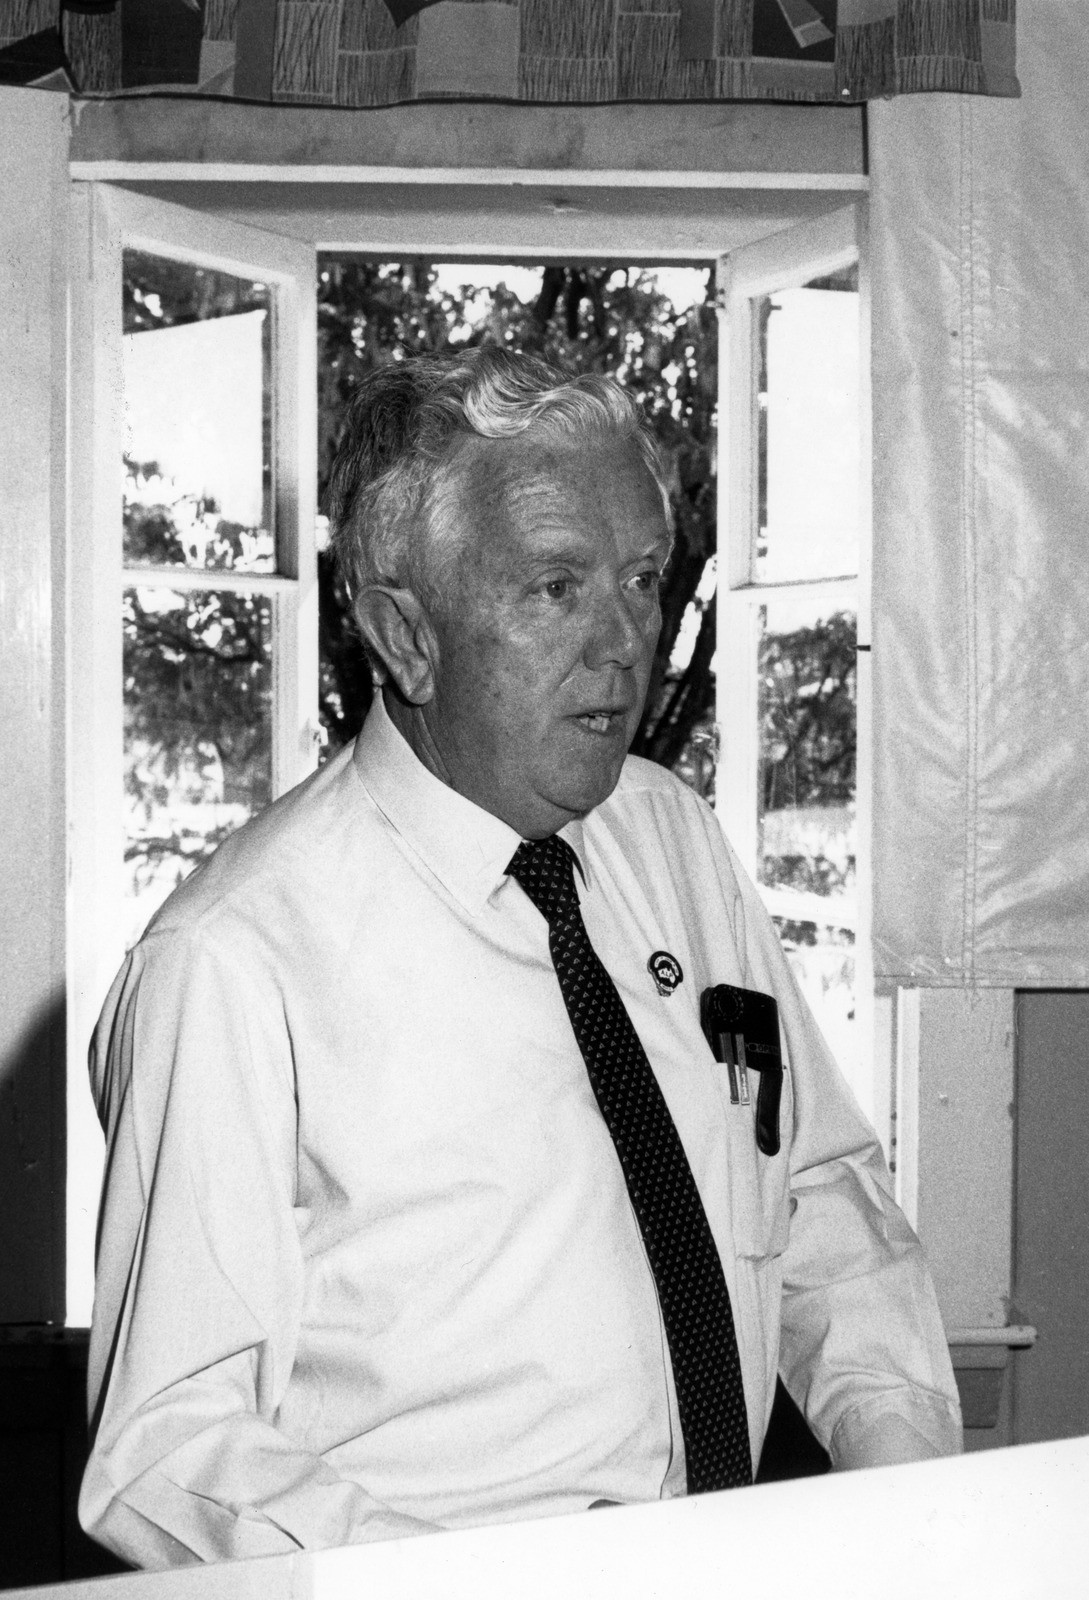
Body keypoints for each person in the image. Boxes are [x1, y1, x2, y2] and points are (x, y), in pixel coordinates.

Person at [81, 348, 962, 1569]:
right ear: (405, 631)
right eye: (554, 586)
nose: (623, 643)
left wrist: (907, 1509)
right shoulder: (230, 961)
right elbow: (166, 1446)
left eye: (643, 578)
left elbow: (819, 1197)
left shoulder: (672, 838)